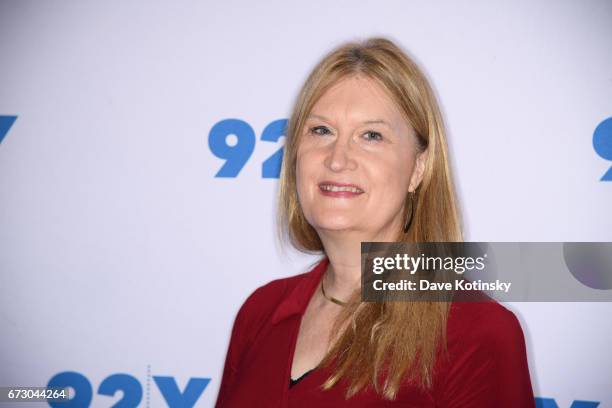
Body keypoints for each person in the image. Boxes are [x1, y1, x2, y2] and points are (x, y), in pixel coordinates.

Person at [215, 36, 536, 407]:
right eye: (321, 130)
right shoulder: (261, 311)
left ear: (418, 168)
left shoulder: (477, 331)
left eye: (371, 136)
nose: (337, 159)